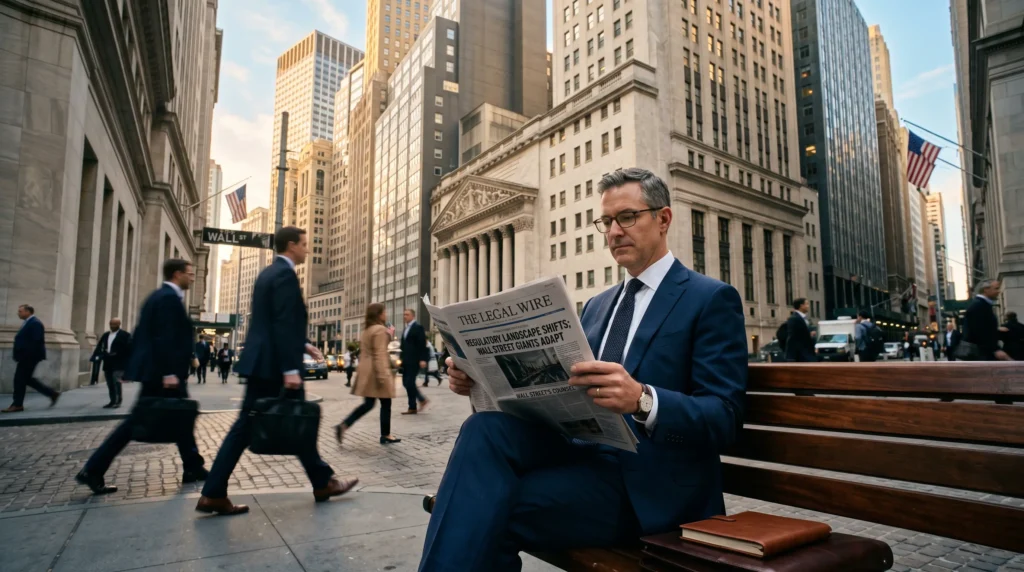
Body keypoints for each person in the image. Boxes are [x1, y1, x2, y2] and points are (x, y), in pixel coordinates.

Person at [419, 168, 747, 570]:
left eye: (627, 217)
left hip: (646, 484)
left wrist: (644, 400)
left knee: (480, 507)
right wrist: (479, 379)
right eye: (606, 221)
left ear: (663, 219)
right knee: (482, 430)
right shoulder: (596, 306)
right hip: (579, 458)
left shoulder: (710, 299)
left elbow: (725, 418)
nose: (613, 231)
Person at [196, 226, 357, 516]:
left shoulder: (268, 273)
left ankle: (321, 481)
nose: (308, 248)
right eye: (305, 244)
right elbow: (282, 323)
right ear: (291, 245)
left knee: (281, 426)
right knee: (271, 426)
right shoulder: (284, 275)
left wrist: (304, 344)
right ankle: (213, 492)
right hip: (275, 368)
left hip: (265, 363)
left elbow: (276, 322)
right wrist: (290, 369)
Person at [74, 259, 208, 494]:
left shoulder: (161, 297)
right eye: (189, 273)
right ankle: (93, 470)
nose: (192, 277)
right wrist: (168, 373)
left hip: (163, 373)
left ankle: (192, 466)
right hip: (163, 375)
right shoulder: (166, 298)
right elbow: (163, 338)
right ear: (177, 274)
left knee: (182, 417)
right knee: (134, 425)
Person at [335, 303, 402, 445]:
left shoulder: (368, 330)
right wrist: (383, 376)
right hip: (376, 372)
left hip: (366, 370)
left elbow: (374, 348)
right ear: (379, 314)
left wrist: (388, 336)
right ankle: (386, 435)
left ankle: (344, 425)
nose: (386, 314)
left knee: (369, 404)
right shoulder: (380, 330)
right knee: (385, 402)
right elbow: (379, 353)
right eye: (384, 312)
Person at [2, 305, 60, 413]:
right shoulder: (29, 322)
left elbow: (35, 341)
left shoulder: (35, 323)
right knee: (27, 379)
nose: (18, 313)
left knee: (19, 380)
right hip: (27, 357)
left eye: (20, 311)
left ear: (28, 312)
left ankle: (17, 404)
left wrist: (24, 355)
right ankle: (52, 393)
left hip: (29, 357)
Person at [962, 279, 1010, 362]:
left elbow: (982, 326)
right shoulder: (979, 305)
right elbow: (979, 331)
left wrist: (996, 329)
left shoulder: (982, 304)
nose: (998, 291)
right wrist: (995, 349)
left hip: (984, 354)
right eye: (996, 288)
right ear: (986, 289)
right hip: (983, 355)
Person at [92, 318, 132, 408]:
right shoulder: (106, 335)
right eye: (111, 324)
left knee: (116, 381)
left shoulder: (125, 335)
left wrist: (119, 354)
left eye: (114, 324)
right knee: (109, 382)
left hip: (119, 363)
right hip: (108, 362)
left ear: (119, 325)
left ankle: (118, 401)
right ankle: (112, 401)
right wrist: (100, 355)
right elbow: (100, 346)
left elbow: (129, 349)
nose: (112, 326)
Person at [399, 308, 430, 414]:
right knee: (405, 383)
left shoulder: (418, 328)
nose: (404, 316)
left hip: (415, 360)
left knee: (409, 382)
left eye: (407, 314)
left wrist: (423, 359)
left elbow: (422, 344)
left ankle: (420, 400)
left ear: (413, 316)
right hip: (406, 361)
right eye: (404, 314)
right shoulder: (406, 328)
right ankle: (413, 407)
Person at [784, 298, 816, 362]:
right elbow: (793, 337)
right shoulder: (794, 318)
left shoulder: (805, 319)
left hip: (807, 354)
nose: (808, 306)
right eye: (806, 304)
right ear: (801, 306)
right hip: (799, 355)